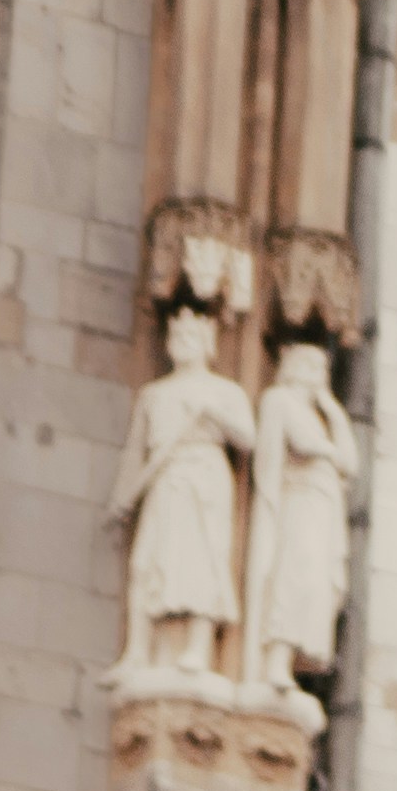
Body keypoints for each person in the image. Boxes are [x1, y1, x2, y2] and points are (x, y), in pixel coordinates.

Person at [109, 298, 255, 675]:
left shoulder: (225, 391)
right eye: (176, 336)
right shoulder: (154, 394)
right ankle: (137, 650)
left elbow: (247, 438)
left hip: (204, 475)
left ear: (207, 344)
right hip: (164, 477)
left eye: (191, 336)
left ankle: (198, 648)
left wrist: (214, 414)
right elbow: (135, 451)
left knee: (203, 559)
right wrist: (121, 497)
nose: (182, 343)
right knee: (145, 562)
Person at [248, 332, 358, 697]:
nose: (318, 375)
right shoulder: (279, 400)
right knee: (292, 574)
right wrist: (328, 451)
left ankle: (289, 660)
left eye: (322, 368)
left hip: (321, 507)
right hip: (297, 501)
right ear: (293, 367)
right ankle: (275, 660)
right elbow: (303, 443)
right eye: (311, 366)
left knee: (313, 582)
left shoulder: (319, 416)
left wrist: (333, 410)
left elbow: (350, 463)